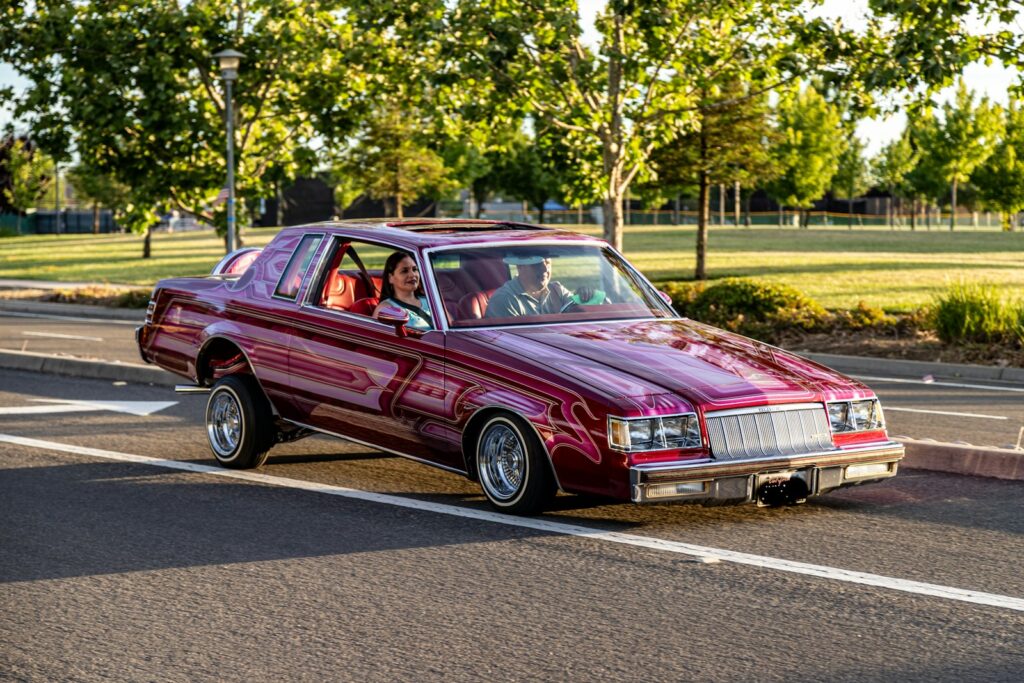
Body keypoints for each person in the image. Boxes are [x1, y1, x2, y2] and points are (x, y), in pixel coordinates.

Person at [485, 254, 590, 318]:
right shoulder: (505, 300)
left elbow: (584, 314)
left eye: (547, 263)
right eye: (537, 264)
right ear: (520, 266)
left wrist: (587, 297)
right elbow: (515, 342)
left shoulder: (557, 290)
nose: (545, 269)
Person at [373, 251, 434, 331]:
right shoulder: (386, 308)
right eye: (404, 271)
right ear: (390, 278)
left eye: (415, 269)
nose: (412, 274)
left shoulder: (431, 301)